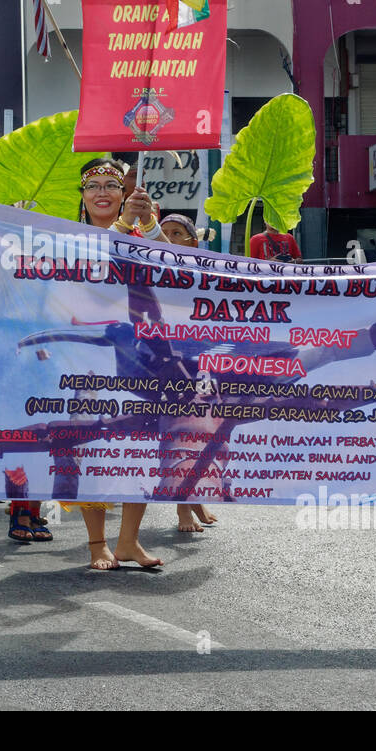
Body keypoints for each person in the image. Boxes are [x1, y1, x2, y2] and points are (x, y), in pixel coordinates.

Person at [63, 158, 163, 569]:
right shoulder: (69, 238)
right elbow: (90, 274)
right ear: (82, 197)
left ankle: (129, 541)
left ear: (124, 195)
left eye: (111, 185)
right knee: (93, 447)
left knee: (140, 447)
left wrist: (150, 224)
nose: (102, 192)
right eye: (93, 186)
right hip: (89, 356)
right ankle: (96, 543)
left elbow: (180, 271)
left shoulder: (141, 235)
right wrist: (123, 227)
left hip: (140, 354)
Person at [159, 213, 220, 533]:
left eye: (176, 234)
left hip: (206, 364)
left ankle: (194, 498)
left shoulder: (206, 274)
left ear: (193, 242)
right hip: (171, 368)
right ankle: (183, 509)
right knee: (181, 430)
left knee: (210, 434)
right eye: (163, 233)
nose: (168, 239)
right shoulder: (154, 271)